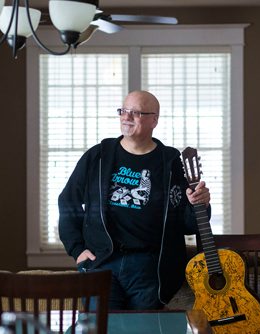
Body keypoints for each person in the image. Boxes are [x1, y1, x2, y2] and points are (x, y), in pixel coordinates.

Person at [58, 90, 211, 310]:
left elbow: (188, 224)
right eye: (124, 111)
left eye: (136, 113)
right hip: (101, 261)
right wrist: (76, 249)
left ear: (154, 120)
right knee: (101, 328)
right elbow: (68, 202)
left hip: (150, 268)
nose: (126, 117)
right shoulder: (98, 156)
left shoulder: (170, 163)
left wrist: (200, 204)